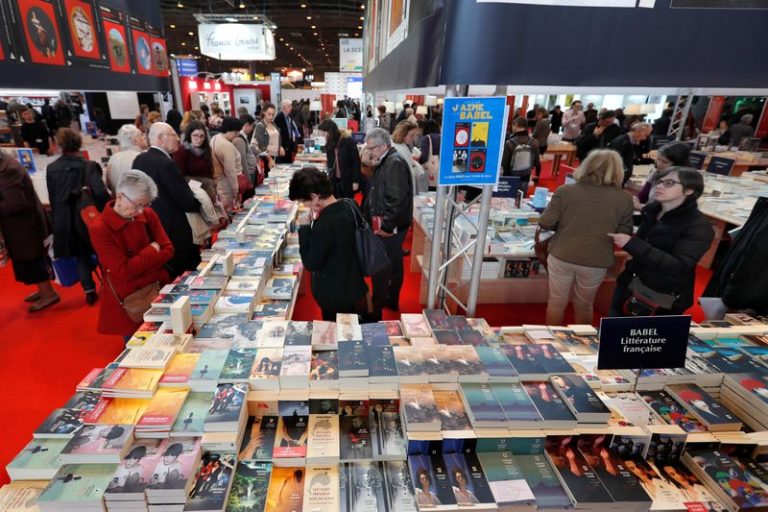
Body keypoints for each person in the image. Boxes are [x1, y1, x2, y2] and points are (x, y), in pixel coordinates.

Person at [539, 150, 634, 325]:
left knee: (556, 301)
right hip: (596, 258)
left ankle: (551, 341)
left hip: (562, 253)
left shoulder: (566, 191)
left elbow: (546, 223)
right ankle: (583, 344)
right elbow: (624, 233)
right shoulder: (625, 198)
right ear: (618, 170)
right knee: (584, 304)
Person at [608, 167, 714, 316]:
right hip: (631, 282)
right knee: (613, 326)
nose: (659, 186)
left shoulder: (698, 227)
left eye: (669, 183)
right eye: (659, 181)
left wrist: (633, 245)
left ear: (689, 190)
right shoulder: (653, 210)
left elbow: (679, 266)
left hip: (661, 295)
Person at [88, 171, 174, 338]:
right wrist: (152, 250)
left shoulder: (147, 214)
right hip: (133, 300)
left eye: (145, 204)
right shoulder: (100, 228)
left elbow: (168, 249)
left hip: (159, 289)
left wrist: (141, 259)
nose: (140, 210)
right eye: (137, 205)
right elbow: (124, 271)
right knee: (137, 345)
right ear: (120, 196)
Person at [289, 167, 368, 321]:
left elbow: (311, 263)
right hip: (354, 284)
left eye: (304, 201)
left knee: (335, 336)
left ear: (314, 196)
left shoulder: (324, 223)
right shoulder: (349, 204)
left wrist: (305, 229)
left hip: (334, 294)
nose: (305, 206)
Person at [46, 128, 109, 305]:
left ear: (60, 145)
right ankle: (110, 287)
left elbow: (52, 197)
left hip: (65, 219)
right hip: (88, 217)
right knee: (103, 252)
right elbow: (101, 193)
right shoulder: (88, 166)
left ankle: (89, 291)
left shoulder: (52, 168)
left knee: (80, 256)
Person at [132, 122, 201, 277]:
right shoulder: (166, 163)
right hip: (174, 230)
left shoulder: (140, 159)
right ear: (159, 139)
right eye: (172, 134)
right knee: (186, 273)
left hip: (151, 226)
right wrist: (200, 202)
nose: (177, 138)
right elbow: (186, 201)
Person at [362, 128, 413, 317]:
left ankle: (377, 308)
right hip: (389, 222)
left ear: (383, 145)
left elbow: (396, 199)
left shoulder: (394, 163)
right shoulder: (387, 159)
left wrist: (386, 226)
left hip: (389, 225)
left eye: (372, 148)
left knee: (382, 267)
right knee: (394, 261)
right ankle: (391, 299)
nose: (369, 152)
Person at [0, 150, 58, 312]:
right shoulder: (5, 164)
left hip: (24, 226)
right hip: (21, 226)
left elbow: (15, 204)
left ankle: (48, 294)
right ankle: (43, 291)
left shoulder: (6, 170)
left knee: (32, 260)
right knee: (29, 260)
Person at [703, 197, 768, 317]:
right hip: (741, 296)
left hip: (745, 303)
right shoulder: (764, 207)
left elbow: (755, 262)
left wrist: (731, 299)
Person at [634, 142, 691, 208]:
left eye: (665, 162)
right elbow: (643, 196)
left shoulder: (682, 181)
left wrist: (642, 208)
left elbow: (667, 210)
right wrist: (635, 200)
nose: (659, 164)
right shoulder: (656, 172)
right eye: (658, 159)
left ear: (678, 164)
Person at [317, 119, 361, 199]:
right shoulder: (329, 143)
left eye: (323, 133)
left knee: (347, 204)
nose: (322, 136)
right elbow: (330, 162)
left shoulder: (348, 141)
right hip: (335, 181)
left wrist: (356, 181)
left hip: (348, 180)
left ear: (330, 131)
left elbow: (356, 162)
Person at [210, 117, 243, 214]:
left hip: (217, 182)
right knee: (228, 212)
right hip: (226, 185)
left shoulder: (215, 138)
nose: (237, 135)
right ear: (232, 131)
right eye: (236, 132)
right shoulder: (227, 146)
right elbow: (230, 171)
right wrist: (236, 190)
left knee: (222, 211)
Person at [500, 117, 541, 193]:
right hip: (525, 176)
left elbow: (504, 163)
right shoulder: (534, 142)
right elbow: (537, 163)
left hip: (510, 177)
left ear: (516, 125)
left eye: (512, 126)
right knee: (521, 197)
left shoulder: (509, 143)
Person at [106, 124, 146, 192]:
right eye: (141, 135)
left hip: (118, 199)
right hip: (138, 200)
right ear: (136, 140)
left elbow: (108, 184)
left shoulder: (113, 158)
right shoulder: (142, 158)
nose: (144, 137)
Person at [392, 120, 428, 195]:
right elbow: (410, 173)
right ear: (402, 134)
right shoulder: (401, 149)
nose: (414, 138)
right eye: (411, 135)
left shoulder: (400, 146)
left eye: (416, 135)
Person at [251, 102, 282, 177]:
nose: (271, 117)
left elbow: (274, 139)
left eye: (273, 114)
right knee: (269, 183)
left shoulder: (273, 124)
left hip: (276, 157)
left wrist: (280, 147)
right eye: (269, 114)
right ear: (264, 112)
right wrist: (269, 159)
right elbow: (254, 146)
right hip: (266, 158)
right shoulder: (260, 126)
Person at [233, 114, 258, 187]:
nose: (252, 128)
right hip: (248, 174)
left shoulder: (243, 137)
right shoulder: (240, 140)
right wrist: (248, 180)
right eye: (252, 126)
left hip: (250, 171)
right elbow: (243, 162)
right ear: (247, 125)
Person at [418, 119, 441, 190]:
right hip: (440, 169)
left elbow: (424, 156)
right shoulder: (442, 137)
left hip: (430, 171)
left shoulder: (426, 138)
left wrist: (418, 160)